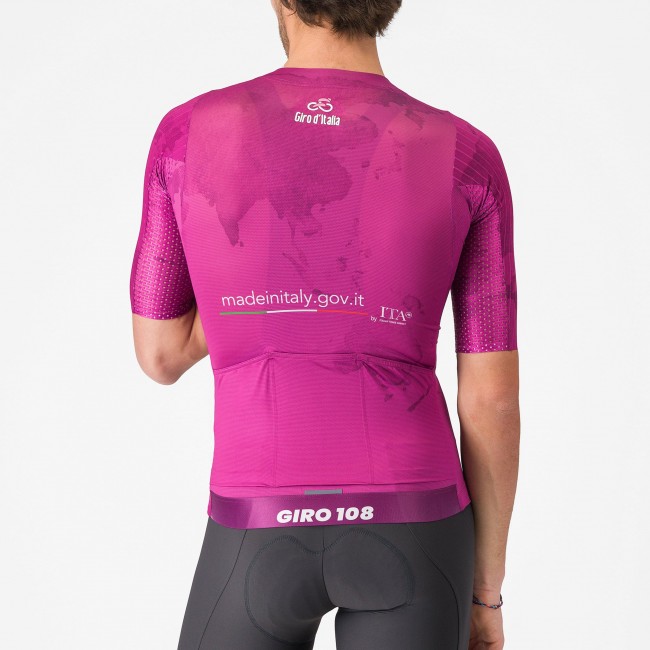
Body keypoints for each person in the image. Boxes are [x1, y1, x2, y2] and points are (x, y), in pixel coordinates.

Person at [129, 1, 520, 648]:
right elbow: (492, 400)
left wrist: (257, 303)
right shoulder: (465, 154)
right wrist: (485, 594)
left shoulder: (189, 133)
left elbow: (160, 353)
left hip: (255, 517)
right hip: (417, 520)